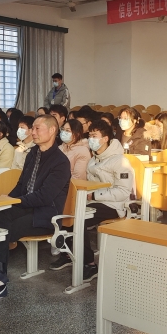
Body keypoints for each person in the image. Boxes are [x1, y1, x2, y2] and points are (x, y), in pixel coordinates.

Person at [0, 115, 70, 302]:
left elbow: (45, 197)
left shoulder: (61, 162)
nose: (32, 132)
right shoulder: (33, 153)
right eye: (32, 128)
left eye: (37, 128)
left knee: (5, 228)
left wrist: (15, 202)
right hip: (28, 206)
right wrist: (7, 200)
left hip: (46, 214)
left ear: (52, 130)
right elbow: (21, 185)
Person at [50, 120, 134, 281]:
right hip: (92, 201)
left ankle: (89, 263)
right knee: (67, 212)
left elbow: (124, 192)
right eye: (90, 136)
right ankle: (68, 254)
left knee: (79, 219)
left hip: (113, 205)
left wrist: (95, 195)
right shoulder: (94, 159)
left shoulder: (120, 161)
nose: (90, 139)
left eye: (94, 136)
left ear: (105, 138)